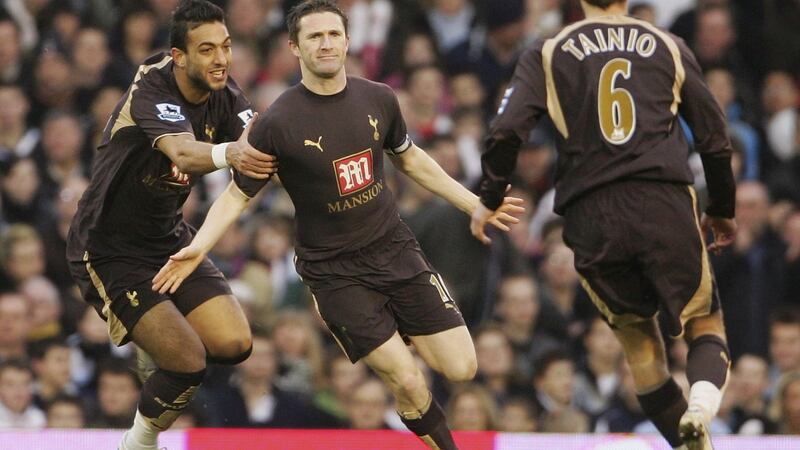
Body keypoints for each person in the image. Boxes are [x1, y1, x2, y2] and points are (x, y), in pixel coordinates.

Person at [152, 1, 523, 448]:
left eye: (333, 34)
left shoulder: (380, 98)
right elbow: (237, 194)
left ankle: (396, 331)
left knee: (463, 368)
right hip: (334, 272)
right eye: (314, 36)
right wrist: (200, 247)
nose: (325, 43)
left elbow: (410, 159)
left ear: (347, 41)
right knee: (407, 379)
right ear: (294, 47)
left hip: (395, 250)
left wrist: (474, 204)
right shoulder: (278, 122)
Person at [470, 1, 737, 449]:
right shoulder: (668, 45)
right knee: (704, 325)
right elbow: (713, 135)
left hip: (592, 215)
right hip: (662, 202)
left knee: (640, 346)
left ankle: (690, 441)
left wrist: (490, 196)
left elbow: (506, 129)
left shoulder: (548, 50)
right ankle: (701, 407)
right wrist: (723, 205)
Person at [65, 1, 277, 449]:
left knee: (237, 343)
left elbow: (256, 140)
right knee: (187, 362)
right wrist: (229, 154)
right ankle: (137, 442)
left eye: (226, 46)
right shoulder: (152, 85)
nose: (220, 59)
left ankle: (156, 338)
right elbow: (182, 152)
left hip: (168, 239)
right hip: (108, 248)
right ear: (179, 56)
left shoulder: (226, 94)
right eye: (206, 50)